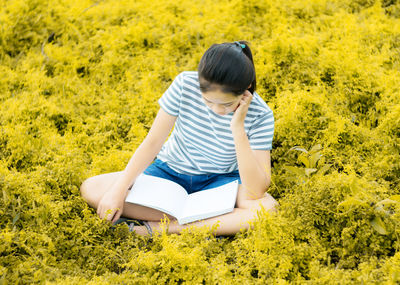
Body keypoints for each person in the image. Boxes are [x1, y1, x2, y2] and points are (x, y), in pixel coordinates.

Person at [80, 41, 278, 236]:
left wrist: (238, 129)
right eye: (208, 101)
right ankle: (204, 220)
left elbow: (256, 190)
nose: (217, 110)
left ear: (246, 89)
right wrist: (120, 189)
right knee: (92, 188)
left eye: (227, 105)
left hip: (221, 183)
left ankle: (163, 228)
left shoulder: (261, 115)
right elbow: (153, 142)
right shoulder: (185, 84)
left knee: (267, 209)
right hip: (169, 172)